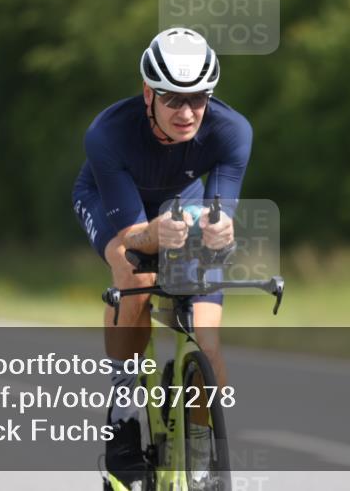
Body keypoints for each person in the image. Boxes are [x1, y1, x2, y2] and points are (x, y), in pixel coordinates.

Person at [72, 27, 253, 490]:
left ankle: (197, 449)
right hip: (115, 204)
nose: (188, 112)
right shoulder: (108, 133)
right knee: (131, 269)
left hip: (183, 209)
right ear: (148, 92)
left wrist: (221, 229)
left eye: (198, 99)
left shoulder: (232, 131)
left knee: (208, 342)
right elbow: (133, 234)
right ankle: (124, 409)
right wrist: (152, 234)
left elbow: (220, 218)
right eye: (173, 99)